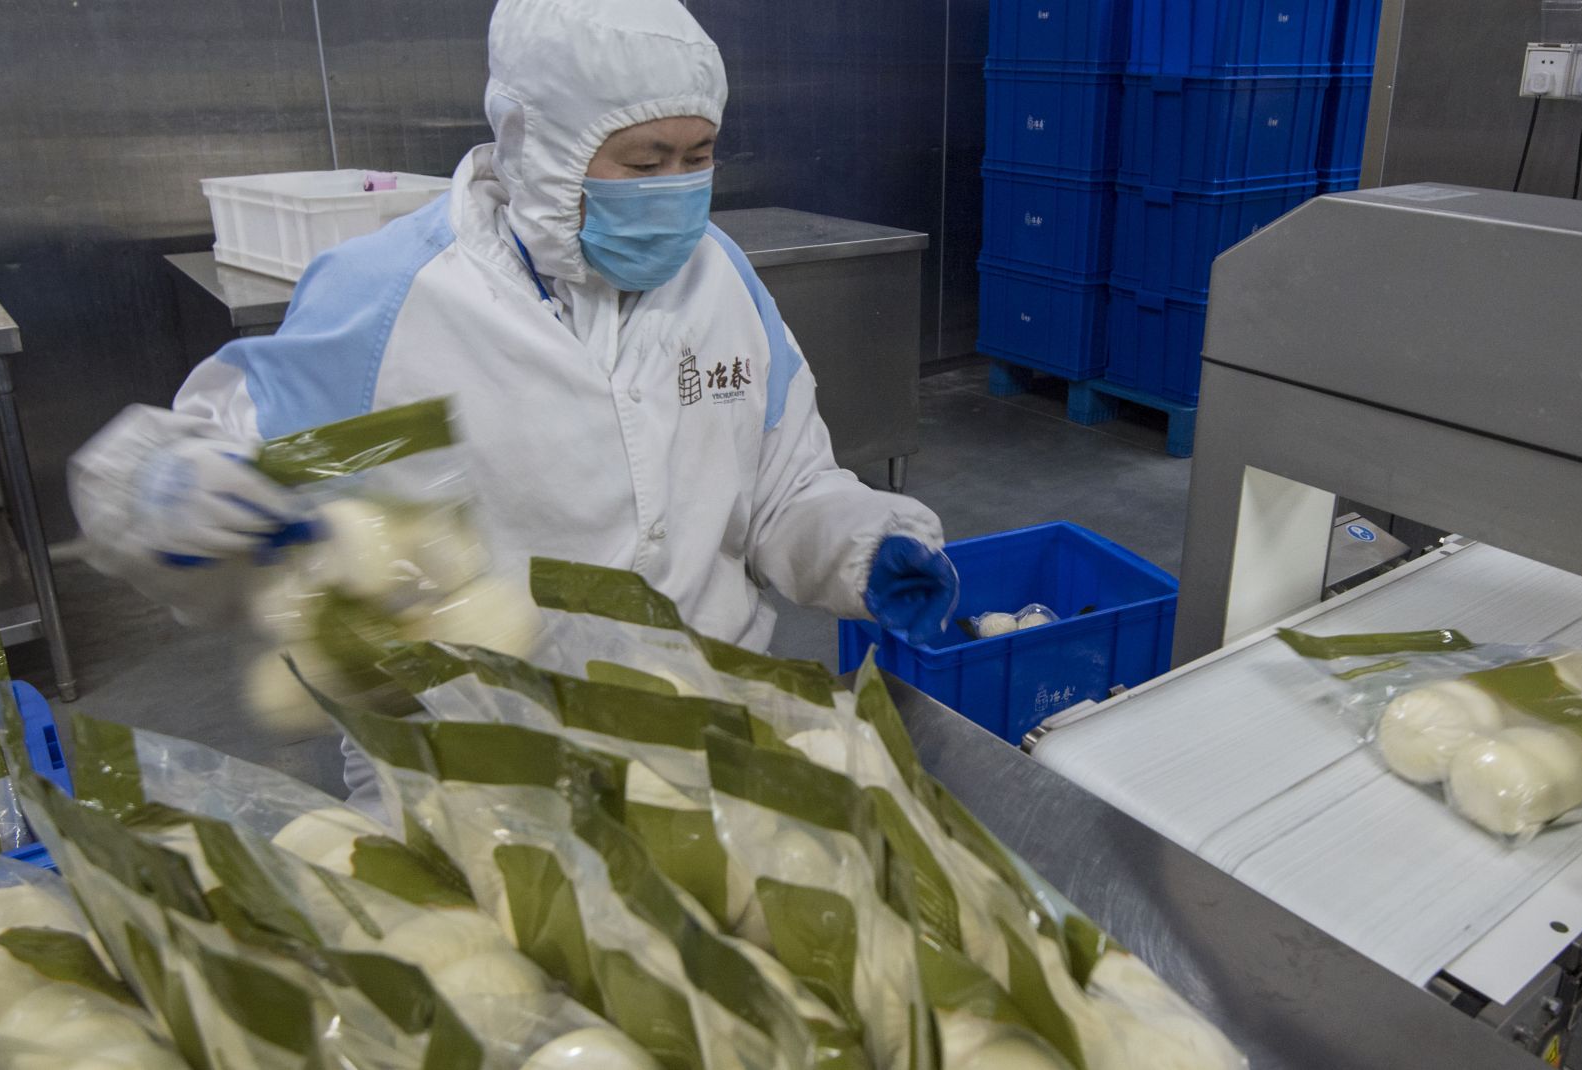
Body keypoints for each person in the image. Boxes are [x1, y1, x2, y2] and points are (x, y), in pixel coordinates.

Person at [69, 0, 959, 810]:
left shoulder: (719, 279)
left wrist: (860, 544)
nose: (677, 189)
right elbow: (253, 471)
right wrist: (175, 493)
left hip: (707, 741)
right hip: (474, 777)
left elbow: (784, 487)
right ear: (538, 142)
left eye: (698, 158)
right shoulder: (393, 303)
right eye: (645, 161)